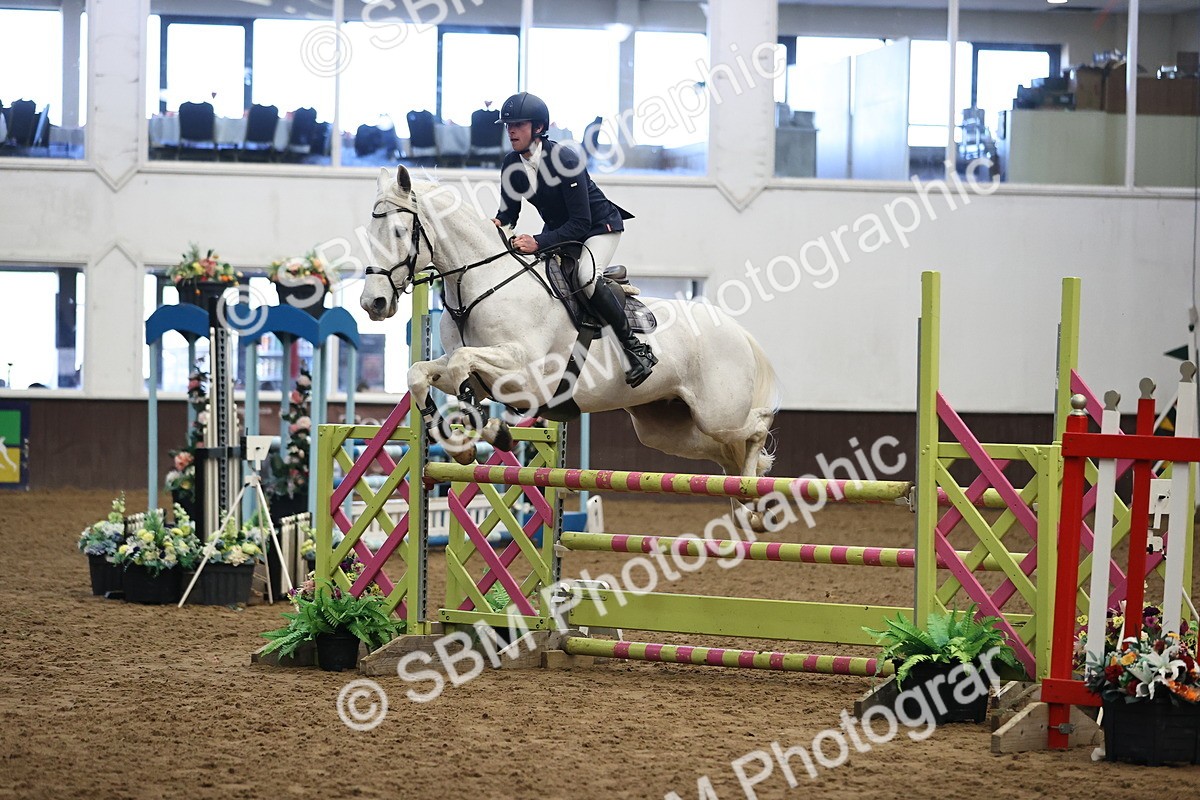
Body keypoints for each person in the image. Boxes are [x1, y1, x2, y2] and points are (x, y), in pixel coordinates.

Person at [491, 92, 656, 388]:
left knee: (584, 277)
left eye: (518, 125)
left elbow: (580, 222)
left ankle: (636, 349)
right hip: (562, 231)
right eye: (507, 125)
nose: (511, 131)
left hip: (598, 227)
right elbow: (509, 211)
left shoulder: (565, 159)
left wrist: (539, 242)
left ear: (539, 128)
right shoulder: (510, 164)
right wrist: (496, 223)